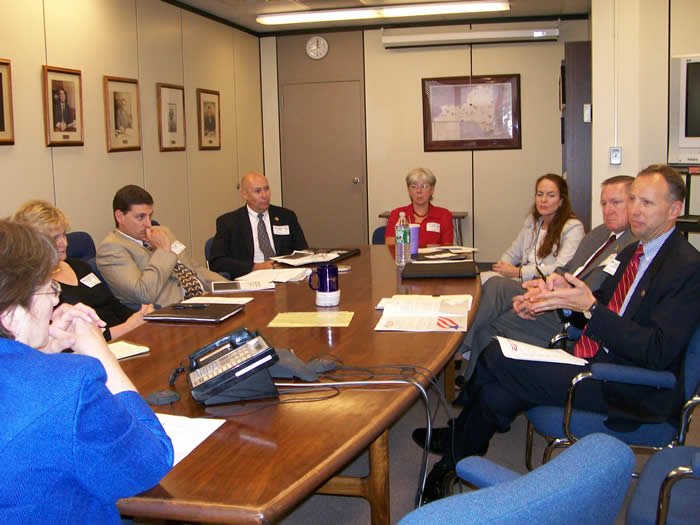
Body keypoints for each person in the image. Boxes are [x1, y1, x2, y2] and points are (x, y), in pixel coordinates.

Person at [415, 165, 700, 503]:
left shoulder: (686, 267)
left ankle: (452, 453)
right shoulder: (632, 253)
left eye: (647, 204)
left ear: (674, 210)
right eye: (633, 200)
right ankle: (452, 464)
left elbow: (656, 351)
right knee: (496, 393)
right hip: (593, 357)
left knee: (496, 359)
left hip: (632, 384)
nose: (635, 210)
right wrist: (559, 301)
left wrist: (588, 308)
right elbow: (597, 313)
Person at [0, 220, 173, 522]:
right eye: (48, 290)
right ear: (10, 315)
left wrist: (35, 350)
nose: (56, 300)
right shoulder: (70, 384)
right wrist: (100, 354)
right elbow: (151, 462)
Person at [457, 176, 635, 381]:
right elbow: (565, 270)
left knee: (495, 291)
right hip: (549, 294)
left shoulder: (630, 245)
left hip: (569, 317)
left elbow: (594, 295)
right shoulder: (598, 234)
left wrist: (532, 284)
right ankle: (471, 392)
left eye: (616, 202)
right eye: (604, 203)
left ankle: (456, 347)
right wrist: (541, 288)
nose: (608, 209)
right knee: (487, 321)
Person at [12, 200, 153, 341]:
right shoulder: (39, 288)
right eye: (55, 238)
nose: (64, 243)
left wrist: (142, 318)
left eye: (64, 235)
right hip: (94, 347)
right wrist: (128, 327)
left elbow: (114, 305)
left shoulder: (79, 266)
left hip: (125, 339)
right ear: (34, 242)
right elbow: (68, 341)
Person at [97, 184, 224, 309]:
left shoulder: (161, 231)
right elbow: (143, 294)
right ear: (119, 216)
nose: (148, 224)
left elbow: (194, 267)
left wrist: (232, 288)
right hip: (174, 310)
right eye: (140, 217)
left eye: (150, 215)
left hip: (204, 299)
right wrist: (163, 251)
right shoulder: (111, 249)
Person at [208, 172, 308, 278]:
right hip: (250, 277)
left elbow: (302, 252)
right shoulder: (229, 222)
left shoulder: (286, 217)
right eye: (258, 191)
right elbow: (217, 262)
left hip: (285, 276)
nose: (264, 195)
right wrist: (255, 267)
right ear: (244, 195)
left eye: (266, 189)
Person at [487, 173, 584, 282]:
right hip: (522, 280)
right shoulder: (532, 222)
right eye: (540, 194)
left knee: (492, 284)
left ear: (561, 201)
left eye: (551, 195)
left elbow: (561, 269)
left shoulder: (573, 228)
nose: (543, 200)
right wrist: (502, 267)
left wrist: (519, 272)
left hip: (546, 285)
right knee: (484, 279)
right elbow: (512, 253)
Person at [385, 168, 453, 247]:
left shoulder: (444, 215)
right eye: (414, 186)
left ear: (432, 189)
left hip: (434, 259)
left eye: (424, 186)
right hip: (406, 258)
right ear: (409, 190)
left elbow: (447, 249)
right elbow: (390, 246)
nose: (419, 191)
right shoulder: (397, 214)